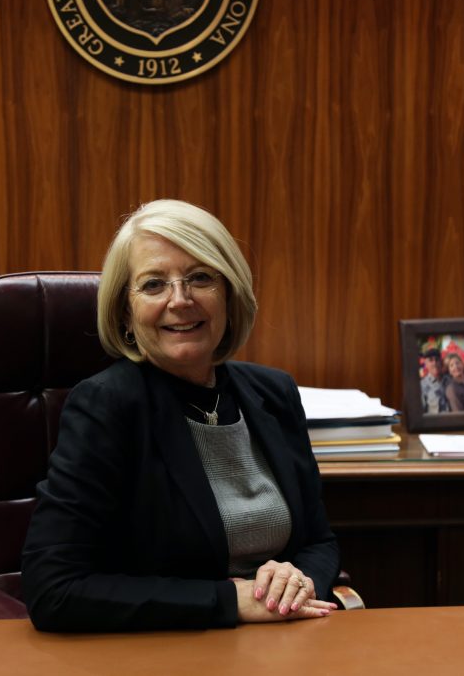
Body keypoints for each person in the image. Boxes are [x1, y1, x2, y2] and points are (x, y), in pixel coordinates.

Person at [22, 199, 340, 632]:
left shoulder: (273, 393)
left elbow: (318, 541)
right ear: (125, 314)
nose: (180, 299)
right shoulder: (106, 407)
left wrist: (298, 583)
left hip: (286, 643)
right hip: (172, 649)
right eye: (154, 284)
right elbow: (53, 589)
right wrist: (230, 599)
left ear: (229, 295)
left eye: (201, 278)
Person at [419, 348, 449, 414]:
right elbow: (421, 414)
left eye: (437, 359)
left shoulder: (450, 380)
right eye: (431, 360)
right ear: (426, 364)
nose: (434, 363)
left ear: (441, 362)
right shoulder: (422, 386)